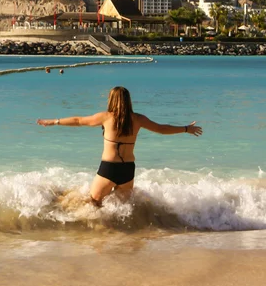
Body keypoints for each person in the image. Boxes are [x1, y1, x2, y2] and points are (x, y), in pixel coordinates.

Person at [37, 86, 202, 206]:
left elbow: (79, 121)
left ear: (111, 100)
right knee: (121, 208)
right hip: (128, 169)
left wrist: (55, 121)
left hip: (109, 168)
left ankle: (102, 238)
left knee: (93, 205)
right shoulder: (138, 119)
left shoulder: (106, 117)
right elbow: (162, 129)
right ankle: (123, 242)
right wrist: (186, 129)